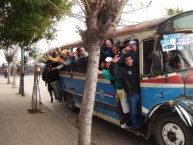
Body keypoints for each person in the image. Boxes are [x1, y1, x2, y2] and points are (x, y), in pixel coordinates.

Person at [110, 54, 140, 131]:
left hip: (141, 92)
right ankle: (134, 125)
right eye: (126, 60)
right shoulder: (123, 70)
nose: (128, 61)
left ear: (133, 60)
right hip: (132, 94)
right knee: (133, 111)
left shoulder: (138, 68)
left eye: (130, 59)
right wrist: (113, 63)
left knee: (140, 110)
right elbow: (113, 72)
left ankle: (140, 124)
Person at [98, 57, 130, 128]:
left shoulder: (115, 68)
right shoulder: (111, 68)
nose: (107, 64)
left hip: (122, 90)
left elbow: (112, 76)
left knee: (124, 106)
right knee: (121, 105)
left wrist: (101, 72)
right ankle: (124, 121)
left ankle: (127, 123)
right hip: (119, 90)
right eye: (106, 62)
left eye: (109, 62)